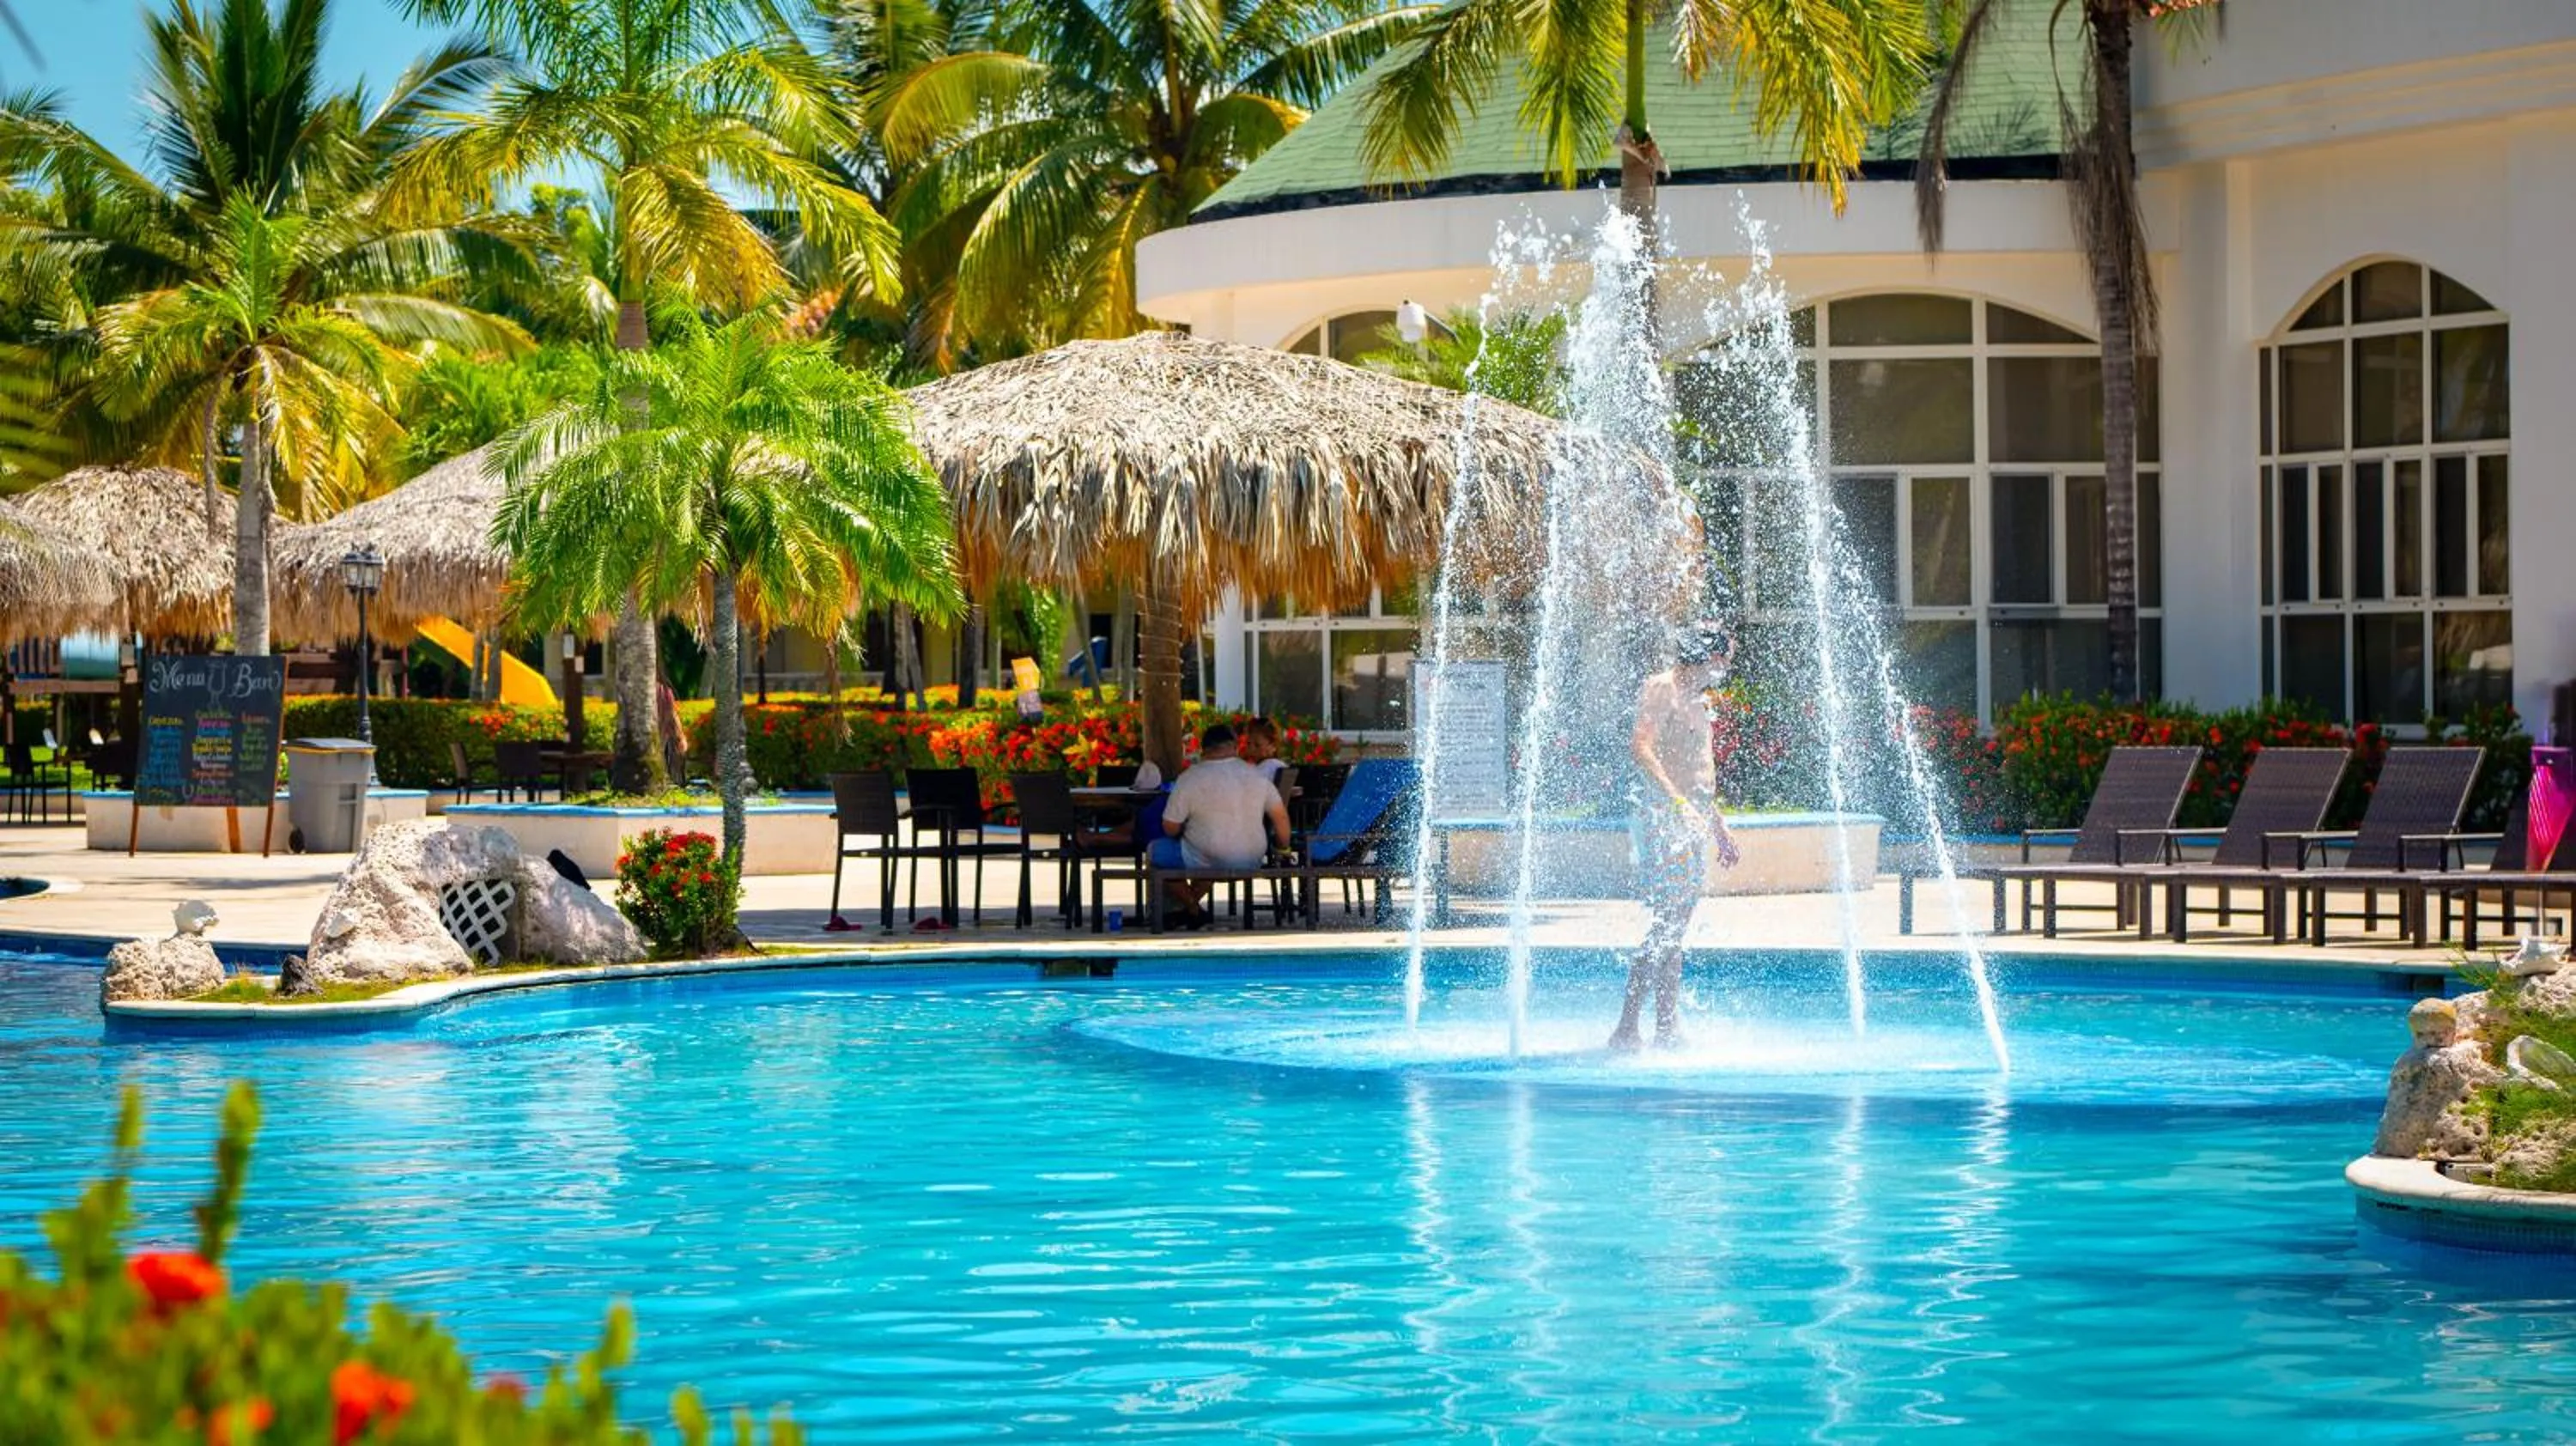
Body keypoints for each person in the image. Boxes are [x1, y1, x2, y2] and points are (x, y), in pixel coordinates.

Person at [1611, 627, 1741, 1052]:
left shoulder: (1698, 701)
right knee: (1668, 922)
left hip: (1689, 820)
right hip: (1664, 819)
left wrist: (1718, 827)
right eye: (1725, 657)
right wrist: (1677, 803)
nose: (1727, 667)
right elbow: (1641, 747)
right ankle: (1628, 1028)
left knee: (1675, 926)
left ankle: (1665, 1027)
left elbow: (1697, 774)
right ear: (1708, 656)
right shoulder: (1662, 689)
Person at [1156, 724, 1290, 929]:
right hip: (1251, 859)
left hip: (1209, 858)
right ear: (1235, 747)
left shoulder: (1190, 777)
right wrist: (1283, 849)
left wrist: (1189, 830)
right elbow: (1281, 819)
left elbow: (1170, 828)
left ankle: (1191, 909)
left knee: (1159, 853)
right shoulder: (1257, 775)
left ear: (1204, 749)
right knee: (1205, 851)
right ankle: (1190, 911)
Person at [1240, 716, 1287, 786]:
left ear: (1273, 746)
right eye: (1249, 743)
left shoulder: (1266, 768)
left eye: (1257, 745)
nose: (1252, 749)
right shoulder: (1281, 765)